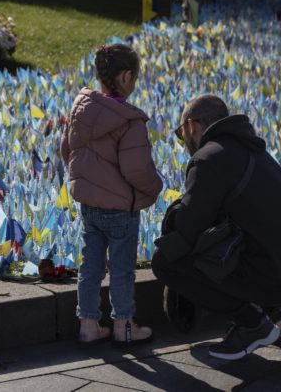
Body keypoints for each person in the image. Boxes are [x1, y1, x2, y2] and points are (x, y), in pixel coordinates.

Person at [151, 94, 281, 361]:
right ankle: (274, 310)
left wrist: (172, 215)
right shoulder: (253, 149)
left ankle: (252, 324)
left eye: (181, 134)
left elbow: (188, 227)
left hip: (277, 277)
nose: (184, 142)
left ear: (191, 126)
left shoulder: (208, 158)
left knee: (165, 262)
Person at [61, 44, 163, 347]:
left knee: (90, 266)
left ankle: (88, 325)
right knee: (121, 270)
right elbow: (136, 170)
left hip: (89, 207)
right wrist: (154, 187)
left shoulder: (81, 111)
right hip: (121, 211)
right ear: (126, 77)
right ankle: (125, 326)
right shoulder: (129, 121)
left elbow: (67, 150)